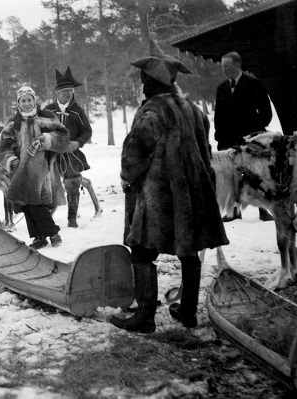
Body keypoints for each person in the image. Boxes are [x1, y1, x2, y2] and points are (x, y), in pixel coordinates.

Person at [112, 42, 229, 333]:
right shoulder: (192, 109)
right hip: (193, 195)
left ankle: (145, 317)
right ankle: (188, 312)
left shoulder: (151, 113)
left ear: (148, 83)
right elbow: (206, 150)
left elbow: (134, 154)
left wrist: (127, 177)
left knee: (141, 251)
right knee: (188, 251)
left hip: (159, 198)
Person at [0, 86, 70, 249]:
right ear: (18, 103)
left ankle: (53, 233)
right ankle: (39, 237)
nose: (27, 103)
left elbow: (63, 136)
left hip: (43, 168)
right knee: (26, 202)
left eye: (29, 100)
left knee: (37, 202)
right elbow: (3, 144)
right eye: (23, 101)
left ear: (34, 100)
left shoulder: (46, 117)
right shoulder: (14, 122)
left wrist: (47, 139)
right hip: (21, 168)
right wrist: (11, 159)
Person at [214, 51, 274, 222]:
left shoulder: (254, 84)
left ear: (238, 65)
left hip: (250, 139)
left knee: (256, 173)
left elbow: (266, 114)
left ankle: (264, 210)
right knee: (231, 174)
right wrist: (219, 135)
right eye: (222, 66)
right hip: (228, 139)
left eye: (227, 66)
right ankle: (234, 210)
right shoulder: (222, 88)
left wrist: (252, 129)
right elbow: (218, 115)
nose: (224, 69)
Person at [44, 67, 93, 228]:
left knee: (73, 183)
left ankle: (72, 217)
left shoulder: (77, 111)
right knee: (49, 186)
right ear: (58, 93)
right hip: (50, 154)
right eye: (66, 91)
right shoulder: (48, 111)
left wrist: (77, 143)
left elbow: (87, 130)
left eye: (71, 91)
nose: (70, 93)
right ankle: (46, 218)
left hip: (70, 154)